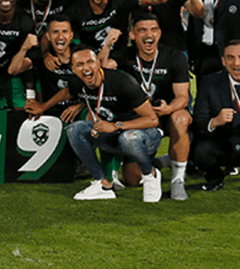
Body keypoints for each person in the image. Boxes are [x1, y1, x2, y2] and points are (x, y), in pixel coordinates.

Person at [43, 46, 162, 202]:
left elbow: (153, 119)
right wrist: (42, 107)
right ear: (73, 69)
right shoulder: (78, 83)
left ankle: (150, 174)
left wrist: (116, 126)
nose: (86, 68)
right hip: (112, 135)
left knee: (128, 140)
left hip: (143, 135)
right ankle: (103, 184)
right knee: (75, 130)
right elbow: (67, 92)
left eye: (90, 62)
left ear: (98, 63)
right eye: (79, 65)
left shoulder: (123, 82)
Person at [114, 13, 191, 200]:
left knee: (180, 118)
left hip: (167, 113)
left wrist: (169, 108)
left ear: (160, 33)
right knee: (132, 179)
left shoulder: (175, 57)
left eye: (154, 30)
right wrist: (108, 44)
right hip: (141, 118)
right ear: (132, 35)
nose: (149, 35)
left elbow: (182, 97)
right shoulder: (124, 57)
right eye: (142, 30)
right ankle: (158, 163)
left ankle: (177, 180)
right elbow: (101, 68)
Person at [192, 40, 240, 192]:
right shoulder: (209, 83)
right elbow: (199, 121)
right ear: (223, 61)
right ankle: (215, 179)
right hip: (224, 144)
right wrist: (215, 121)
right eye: (230, 58)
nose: (237, 63)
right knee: (201, 150)